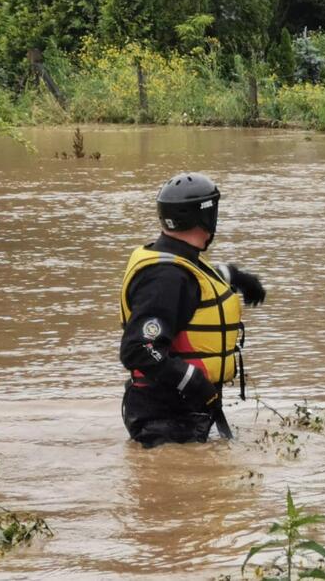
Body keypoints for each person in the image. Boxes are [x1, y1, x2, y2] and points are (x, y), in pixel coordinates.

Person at [118, 172, 265, 448]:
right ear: (206, 218)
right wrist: (193, 381)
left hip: (180, 410)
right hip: (164, 417)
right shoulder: (166, 278)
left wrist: (237, 276)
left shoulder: (178, 260)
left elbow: (198, 280)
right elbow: (138, 348)